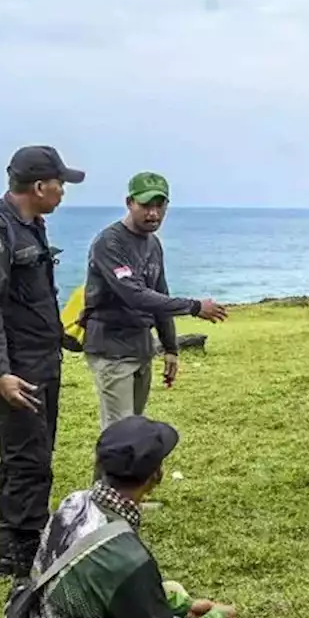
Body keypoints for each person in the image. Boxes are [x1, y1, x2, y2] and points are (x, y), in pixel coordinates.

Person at [29, 415, 255, 618]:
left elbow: (108, 586)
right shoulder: (124, 556)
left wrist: (187, 606)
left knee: (171, 591)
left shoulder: (76, 503)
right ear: (155, 476)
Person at [0, 145, 84, 578]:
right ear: (39, 186)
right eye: (60, 184)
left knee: (36, 454)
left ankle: (22, 547)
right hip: (18, 369)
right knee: (25, 458)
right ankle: (20, 556)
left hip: (42, 360)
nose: (64, 191)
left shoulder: (31, 227)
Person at [79, 171, 227, 438]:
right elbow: (134, 294)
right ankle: (105, 482)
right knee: (119, 433)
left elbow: (160, 295)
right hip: (111, 349)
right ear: (129, 203)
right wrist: (194, 306)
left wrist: (171, 348)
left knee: (133, 430)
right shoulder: (109, 243)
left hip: (140, 347)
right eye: (146, 205)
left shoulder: (153, 243)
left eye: (160, 206)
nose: (153, 214)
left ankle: (117, 481)